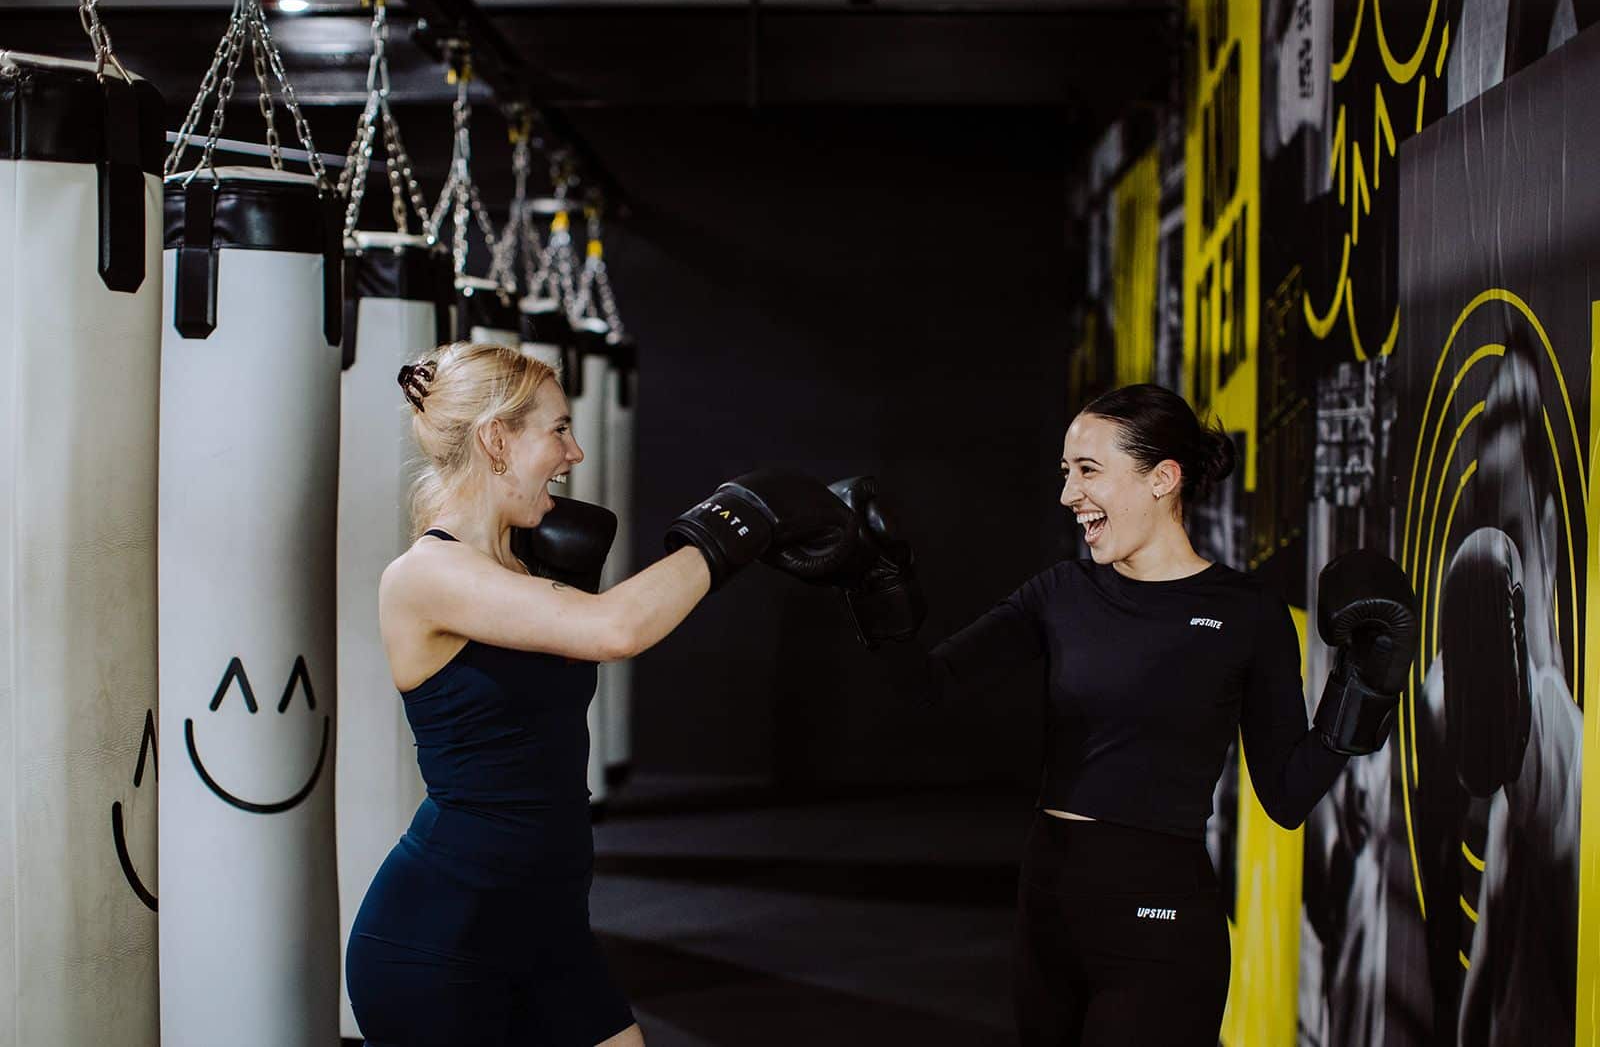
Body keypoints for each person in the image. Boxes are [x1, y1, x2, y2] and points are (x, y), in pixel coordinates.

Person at [770, 383, 1419, 1047]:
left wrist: (1363, 692)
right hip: (1047, 906)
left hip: (1160, 926)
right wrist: (869, 583)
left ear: (1162, 478)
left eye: (1087, 471)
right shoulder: (1062, 592)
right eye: (1064, 472)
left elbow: (1285, 794)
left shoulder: (1247, 613)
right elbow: (927, 687)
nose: (1067, 494)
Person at [344, 341, 856, 1047]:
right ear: (496, 439)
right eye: (557, 428)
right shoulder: (426, 575)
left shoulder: (525, 565)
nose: (575, 452)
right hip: (442, 939)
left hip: (547, 926)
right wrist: (740, 519)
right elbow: (617, 627)